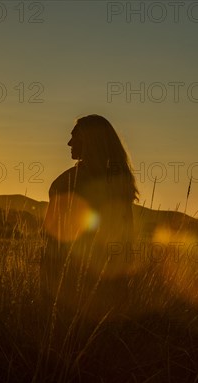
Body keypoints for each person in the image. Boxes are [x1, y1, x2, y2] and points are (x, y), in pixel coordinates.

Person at [41, 115, 138, 320]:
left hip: (69, 285)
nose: (68, 143)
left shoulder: (68, 182)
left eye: (74, 137)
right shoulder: (119, 183)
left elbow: (52, 240)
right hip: (109, 286)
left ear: (89, 140)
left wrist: (49, 282)